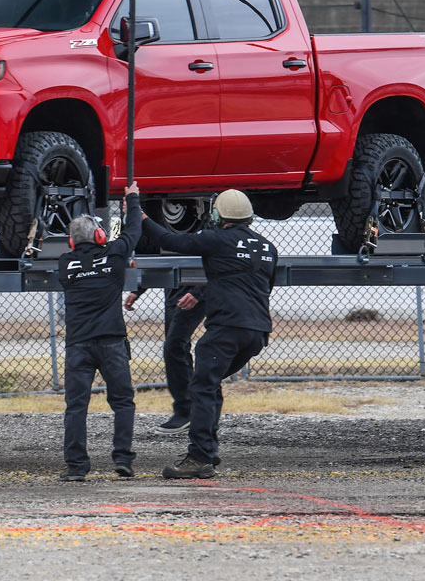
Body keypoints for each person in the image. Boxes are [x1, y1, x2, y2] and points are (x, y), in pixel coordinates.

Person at [142, 189, 277, 479]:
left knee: (201, 387)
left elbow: (169, 241)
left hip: (225, 329)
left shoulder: (216, 238)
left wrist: (139, 216)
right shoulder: (268, 247)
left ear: (218, 215)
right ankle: (208, 452)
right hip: (257, 332)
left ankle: (200, 456)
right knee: (209, 384)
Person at [56, 182, 143, 481]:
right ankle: (123, 460)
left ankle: (76, 467)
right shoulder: (115, 255)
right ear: (100, 235)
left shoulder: (65, 264)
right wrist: (132, 200)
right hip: (112, 343)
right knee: (122, 402)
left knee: (76, 406)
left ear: (71, 243)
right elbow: (133, 231)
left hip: (78, 344)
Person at [124, 283, 207, 434]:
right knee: (178, 349)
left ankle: (187, 411)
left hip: (195, 292)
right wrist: (138, 289)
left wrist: (199, 291)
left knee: (174, 348)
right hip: (174, 293)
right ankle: (193, 412)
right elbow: (155, 261)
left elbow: (215, 261)